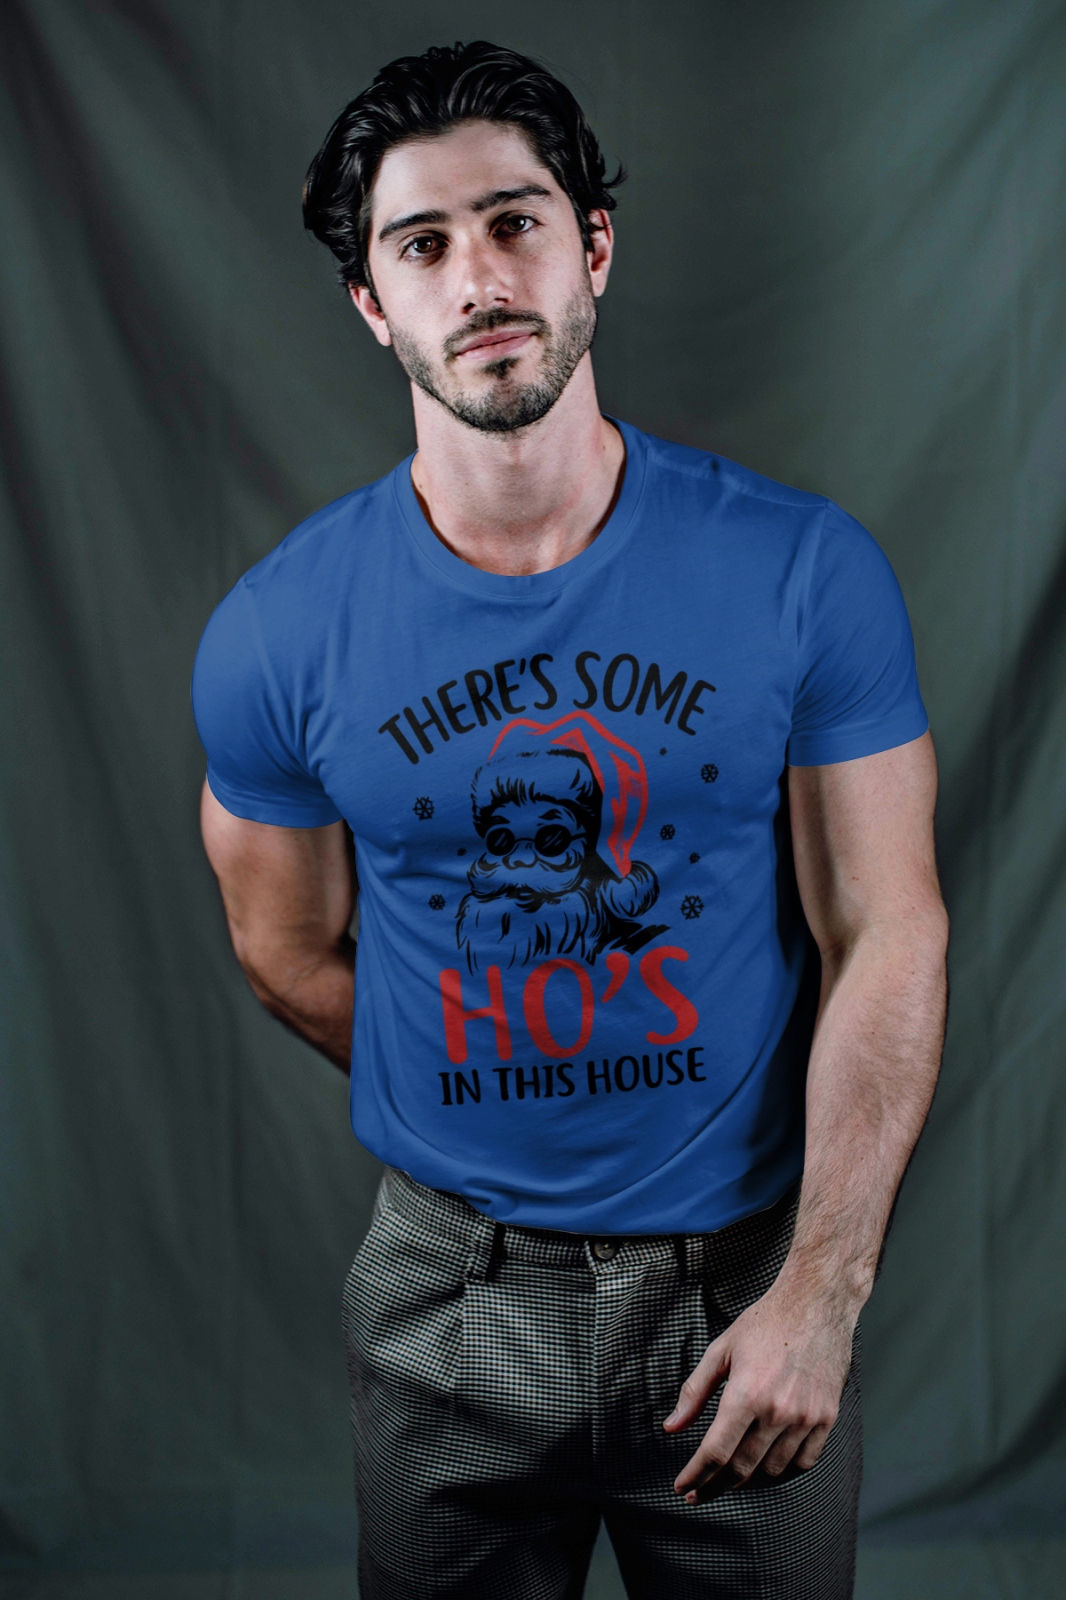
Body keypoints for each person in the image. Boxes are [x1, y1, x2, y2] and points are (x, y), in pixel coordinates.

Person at [192, 40, 948, 1600]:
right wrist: (485, 1086)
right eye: (421, 245)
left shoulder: (800, 570)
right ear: (371, 303)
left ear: (592, 243)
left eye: (514, 221)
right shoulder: (278, 634)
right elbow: (282, 948)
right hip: (448, 1295)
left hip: (743, 1275)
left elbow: (886, 927)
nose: (478, 277)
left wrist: (819, 1294)